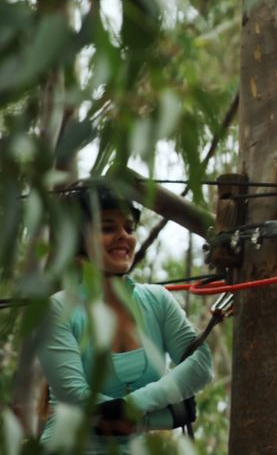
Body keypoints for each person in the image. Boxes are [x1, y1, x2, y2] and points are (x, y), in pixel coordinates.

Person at [36, 182, 214, 453]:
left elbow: (201, 365)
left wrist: (134, 407)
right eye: (108, 228)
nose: (123, 236)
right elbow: (79, 402)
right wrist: (165, 415)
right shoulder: (58, 309)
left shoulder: (157, 300)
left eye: (129, 228)